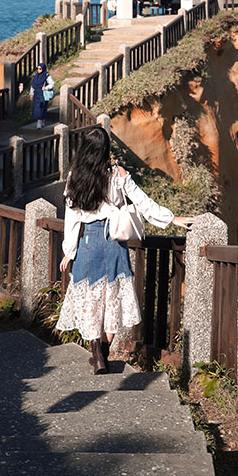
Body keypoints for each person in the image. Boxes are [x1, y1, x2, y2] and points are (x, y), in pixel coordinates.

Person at [57, 127, 194, 373]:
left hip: (88, 243)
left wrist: (69, 250)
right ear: (105, 150)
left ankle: (97, 354)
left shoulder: (74, 177)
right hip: (113, 243)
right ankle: (104, 353)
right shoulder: (117, 175)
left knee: (91, 299)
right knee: (112, 300)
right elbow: (143, 203)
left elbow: (72, 219)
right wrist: (173, 219)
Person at [30, 63, 49, 130]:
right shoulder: (36, 76)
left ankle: (40, 121)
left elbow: (52, 84)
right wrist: (31, 94)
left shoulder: (46, 76)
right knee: (37, 108)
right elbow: (33, 86)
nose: (38, 70)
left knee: (42, 107)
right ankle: (39, 121)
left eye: (40, 68)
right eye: (37, 68)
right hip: (36, 94)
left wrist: (46, 88)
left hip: (43, 94)